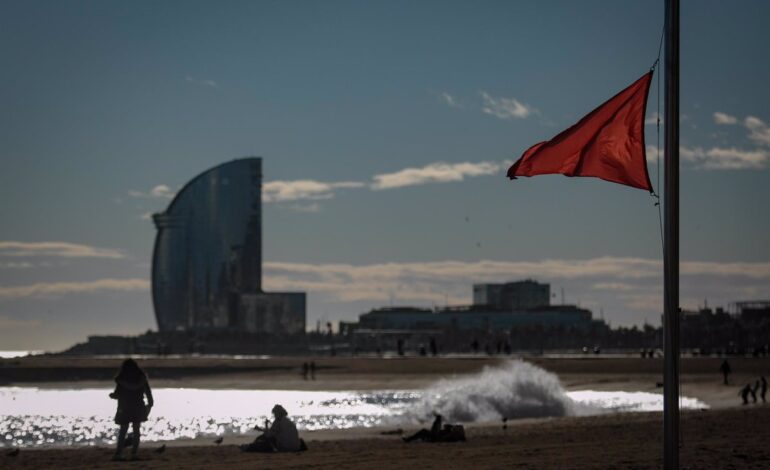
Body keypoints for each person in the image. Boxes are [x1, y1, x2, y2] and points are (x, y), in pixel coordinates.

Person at [109, 359, 154, 461]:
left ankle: (118, 454)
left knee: (123, 431)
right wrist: (150, 403)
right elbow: (148, 392)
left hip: (124, 407)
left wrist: (112, 396)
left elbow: (117, 394)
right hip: (138, 406)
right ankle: (134, 454)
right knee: (136, 431)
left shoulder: (121, 379)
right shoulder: (141, 377)